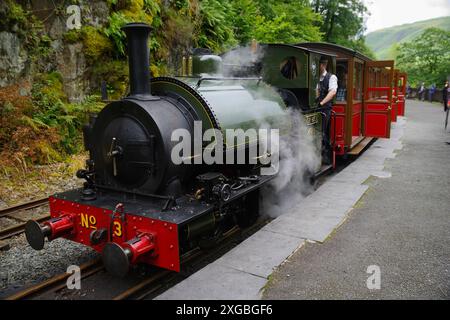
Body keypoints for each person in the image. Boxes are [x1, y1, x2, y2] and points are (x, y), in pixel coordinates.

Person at [316, 56, 338, 164]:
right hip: (315, 108)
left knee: (323, 132)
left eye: (318, 65)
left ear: (323, 65)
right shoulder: (314, 77)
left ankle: (325, 157)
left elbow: (332, 92)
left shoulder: (331, 77)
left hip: (325, 109)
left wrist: (321, 103)